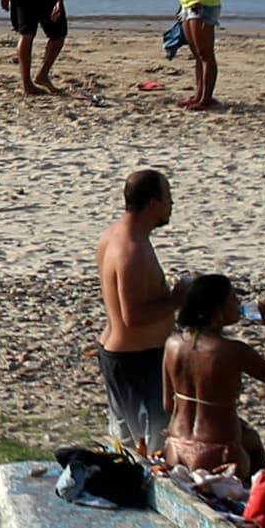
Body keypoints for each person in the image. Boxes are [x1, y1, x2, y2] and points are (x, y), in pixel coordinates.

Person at [162, 274, 265, 476]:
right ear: (218, 311)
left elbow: (168, 405)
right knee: (252, 445)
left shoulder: (172, 344)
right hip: (219, 452)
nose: (239, 304)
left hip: (176, 446)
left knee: (252, 438)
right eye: (233, 298)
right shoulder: (232, 350)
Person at [95, 167, 176, 450]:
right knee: (150, 447)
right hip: (136, 362)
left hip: (126, 357)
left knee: (128, 446)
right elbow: (133, 317)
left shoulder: (114, 236)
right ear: (153, 203)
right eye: (168, 197)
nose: (171, 204)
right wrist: (180, 297)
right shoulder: (131, 249)